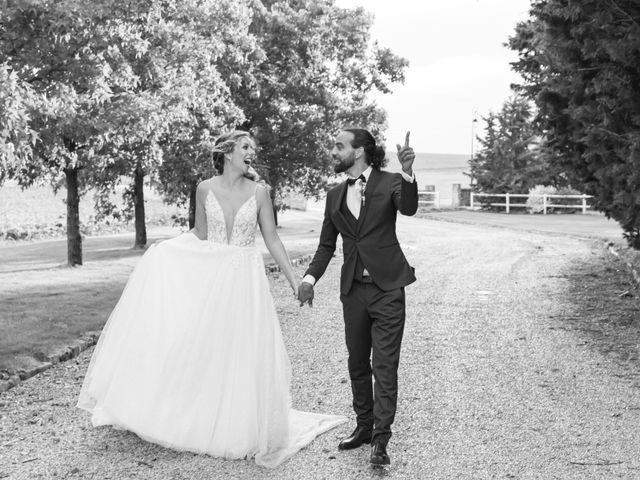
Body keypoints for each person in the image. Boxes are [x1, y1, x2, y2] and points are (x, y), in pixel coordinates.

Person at [78, 130, 345, 468]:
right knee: (205, 344)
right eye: (245, 147)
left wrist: (296, 282)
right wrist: (167, 249)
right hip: (214, 276)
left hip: (246, 279)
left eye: (253, 148)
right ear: (228, 152)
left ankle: (240, 423)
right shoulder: (204, 188)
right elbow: (200, 235)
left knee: (243, 348)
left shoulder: (261, 193)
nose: (252, 152)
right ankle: (199, 414)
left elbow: (273, 239)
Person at [297, 128, 418, 466]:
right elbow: (326, 246)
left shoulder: (390, 181)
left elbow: (408, 208)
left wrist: (407, 172)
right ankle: (363, 427)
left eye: (339, 146)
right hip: (353, 293)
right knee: (356, 363)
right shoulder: (335, 195)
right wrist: (309, 279)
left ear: (361, 150)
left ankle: (381, 439)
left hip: (388, 288)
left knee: (384, 365)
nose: (333, 151)